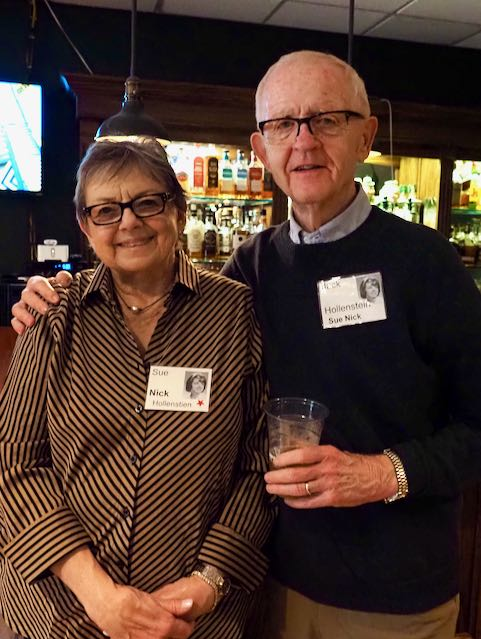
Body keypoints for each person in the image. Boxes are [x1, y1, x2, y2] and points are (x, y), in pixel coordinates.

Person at [10, 50, 481, 639]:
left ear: (366, 136)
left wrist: (385, 474)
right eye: (283, 124)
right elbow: (16, 464)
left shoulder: (427, 263)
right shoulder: (251, 271)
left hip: (387, 594)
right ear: (261, 148)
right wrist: (49, 293)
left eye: (326, 119)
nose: (304, 141)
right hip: (263, 586)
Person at [1, 138, 274, 639]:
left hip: (193, 619)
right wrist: (101, 597)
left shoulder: (234, 313)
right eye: (106, 210)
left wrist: (208, 582)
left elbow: (260, 462)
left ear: (179, 210)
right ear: (86, 226)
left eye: (147, 202)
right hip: (61, 614)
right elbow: (14, 463)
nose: (128, 222)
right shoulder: (53, 315)